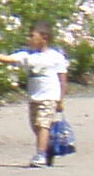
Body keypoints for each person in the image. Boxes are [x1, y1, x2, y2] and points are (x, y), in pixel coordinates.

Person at [14, 23, 73, 163]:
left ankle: (40, 154)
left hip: (49, 97)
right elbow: (8, 59)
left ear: (44, 38)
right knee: (36, 126)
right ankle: (49, 147)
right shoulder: (29, 55)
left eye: (32, 36)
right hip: (34, 98)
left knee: (43, 125)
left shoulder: (55, 56)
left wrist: (60, 100)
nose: (29, 39)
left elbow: (62, 80)